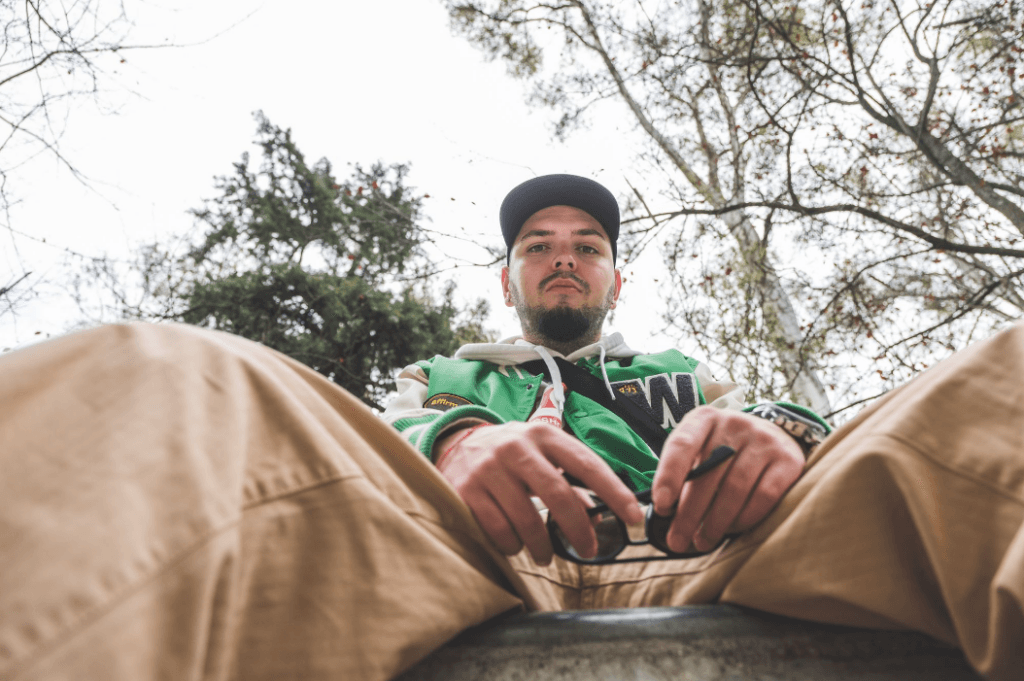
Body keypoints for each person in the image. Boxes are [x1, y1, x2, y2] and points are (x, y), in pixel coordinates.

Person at [0, 175, 1021, 681]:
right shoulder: (443, 375)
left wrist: (784, 430)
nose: (563, 256)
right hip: (476, 559)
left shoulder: (689, 377)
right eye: (538, 245)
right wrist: (454, 438)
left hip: (709, 553)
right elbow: (374, 446)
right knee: (151, 368)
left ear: (615, 278)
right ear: (508, 279)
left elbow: (801, 437)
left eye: (587, 245)